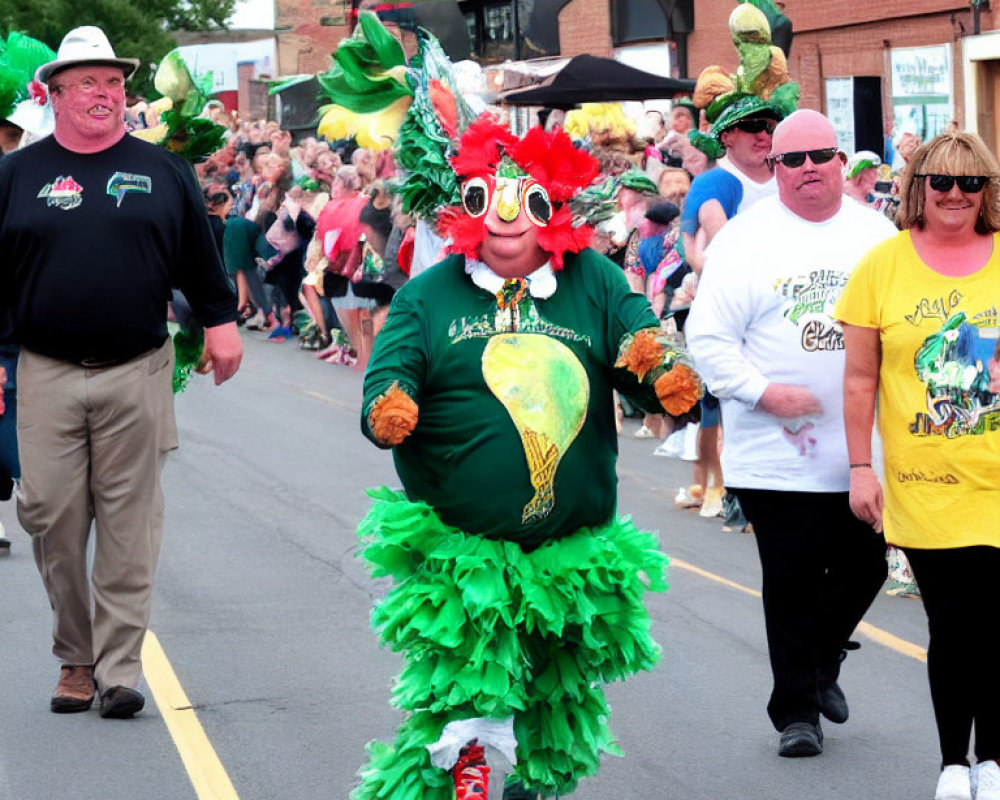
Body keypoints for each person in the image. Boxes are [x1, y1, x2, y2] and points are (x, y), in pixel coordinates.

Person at [354, 116, 702, 800]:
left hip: (569, 550)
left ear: (556, 207)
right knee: (467, 717)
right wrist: (390, 402)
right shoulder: (429, 294)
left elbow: (641, 340)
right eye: (489, 201)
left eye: (529, 202)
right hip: (465, 553)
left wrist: (664, 372)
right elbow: (389, 370)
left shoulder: (594, 281)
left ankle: (534, 791)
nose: (509, 220)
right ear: (465, 210)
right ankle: (464, 786)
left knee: (557, 715)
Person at [0, 26, 241, 720]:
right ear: (53, 93)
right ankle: (74, 651)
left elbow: (200, 255)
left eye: (112, 82)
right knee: (48, 513)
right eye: (87, 83)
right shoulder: (17, 175)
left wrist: (221, 322)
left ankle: (113, 670)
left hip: (138, 369)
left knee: (130, 526)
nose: (105, 94)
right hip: (43, 371)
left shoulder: (162, 171)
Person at [685, 109, 897, 757]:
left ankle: (823, 660)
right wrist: (761, 392)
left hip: (863, 451)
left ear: (842, 161)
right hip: (774, 451)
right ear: (775, 169)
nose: (808, 169)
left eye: (820, 156)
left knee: (866, 564)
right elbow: (708, 337)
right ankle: (797, 711)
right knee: (792, 578)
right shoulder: (745, 241)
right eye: (792, 160)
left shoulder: (877, 234)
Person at [836, 130, 1000, 800]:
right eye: (943, 183)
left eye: (972, 183)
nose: (956, 195)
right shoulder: (882, 265)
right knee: (954, 623)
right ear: (918, 189)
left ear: (987, 192)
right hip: (925, 482)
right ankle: (952, 764)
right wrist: (859, 469)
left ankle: (991, 759)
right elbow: (857, 381)